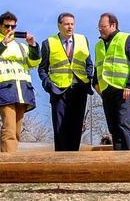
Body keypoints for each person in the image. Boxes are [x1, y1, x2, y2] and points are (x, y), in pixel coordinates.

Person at [0, 11, 40, 152]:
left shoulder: (21, 46)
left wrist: (32, 46)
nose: (10, 30)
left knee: (17, 131)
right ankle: (7, 164)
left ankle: (13, 160)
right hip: (4, 89)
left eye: (13, 27)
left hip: (23, 90)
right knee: (9, 128)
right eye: (7, 26)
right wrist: (3, 44)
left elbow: (34, 62)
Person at [38, 12, 93, 151]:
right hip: (58, 90)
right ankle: (61, 161)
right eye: (67, 24)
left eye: (72, 24)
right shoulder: (48, 43)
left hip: (79, 89)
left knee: (76, 127)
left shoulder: (83, 40)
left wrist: (87, 78)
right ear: (59, 25)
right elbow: (42, 69)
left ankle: (73, 161)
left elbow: (89, 64)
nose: (70, 27)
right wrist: (48, 84)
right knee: (60, 128)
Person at [94, 12, 130, 151]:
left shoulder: (126, 38)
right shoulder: (98, 45)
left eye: (103, 26)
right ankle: (117, 162)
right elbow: (97, 68)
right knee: (113, 128)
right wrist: (98, 87)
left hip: (123, 90)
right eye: (99, 26)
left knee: (124, 125)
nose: (100, 29)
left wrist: (129, 85)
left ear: (113, 25)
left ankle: (127, 161)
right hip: (106, 91)